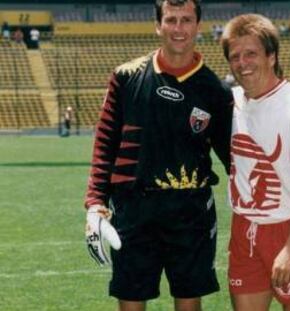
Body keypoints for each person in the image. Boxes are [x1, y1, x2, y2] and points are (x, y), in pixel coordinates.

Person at [84, 1, 233, 311]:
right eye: (171, 20)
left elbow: (232, 157)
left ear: (198, 26)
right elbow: (105, 144)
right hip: (133, 207)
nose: (178, 28)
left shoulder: (215, 90)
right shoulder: (125, 77)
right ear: (158, 25)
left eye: (186, 20)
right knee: (131, 301)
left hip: (191, 210)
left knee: (189, 301)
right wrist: (95, 203)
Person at [221, 14, 290, 311]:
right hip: (245, 228)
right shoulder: (229, 104)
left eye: (251, 53)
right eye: (235, 56)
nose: (243, 63)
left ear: (271, 56)